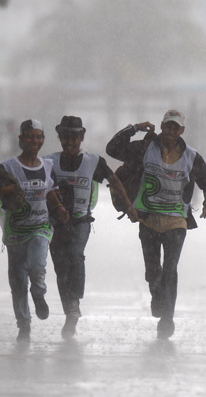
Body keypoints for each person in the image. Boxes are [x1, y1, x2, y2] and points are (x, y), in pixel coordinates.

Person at [106, 109, 206, 340]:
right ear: (161, 126)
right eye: (167, 126)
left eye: (175, 128)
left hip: (176, 220)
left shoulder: (191, 156)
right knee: (153, 271)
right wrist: (135, 128)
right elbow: (112, 149)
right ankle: (156, 292)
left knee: (170, 269)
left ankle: (167, 318)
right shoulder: (145, 149)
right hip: (147, 218)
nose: (170, 131)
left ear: (182, 131)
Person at [44, 116, 138, 339]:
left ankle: (75, 301)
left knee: (75, 256)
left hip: (81, 221)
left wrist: (129, 206)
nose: (70, 142)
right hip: (55, 223)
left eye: (74, 137)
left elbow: (114, 181)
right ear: (60, 138)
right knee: (59, 266)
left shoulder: (93, 162)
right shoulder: (49, 162)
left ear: (82, 137)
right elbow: (37, 187)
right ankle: (70, 310)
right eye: (66, 137)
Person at [0, 119, 69, 343]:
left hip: (40, 227)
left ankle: (39, 294)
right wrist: (7, 189)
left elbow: (51, 192)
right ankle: (24, 325)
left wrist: (59, 207)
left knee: (37, 266)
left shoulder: (47, 166)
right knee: (18, 282)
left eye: (39, 137)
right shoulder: (7, 168)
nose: (34, 141)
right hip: (15, 231)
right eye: (29, 136)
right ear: (20, 139)